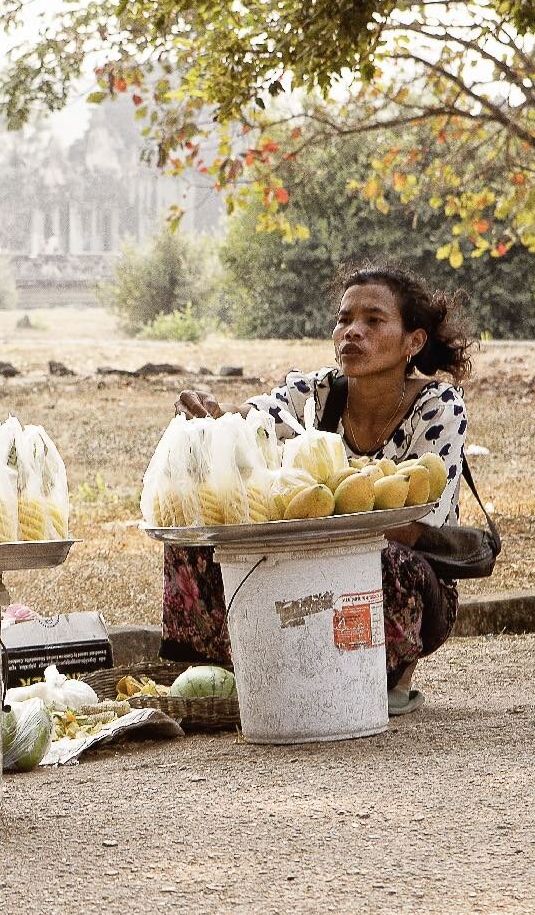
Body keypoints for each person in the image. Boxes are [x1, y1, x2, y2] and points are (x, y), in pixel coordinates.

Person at [169, 263, 473, 716]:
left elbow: (418, 525)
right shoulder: (313, 393)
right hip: (307, 563)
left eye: (373, 320)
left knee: (384, 557)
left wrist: (335, 513)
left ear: (414, 341)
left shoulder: (438, 406)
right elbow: (244, 423)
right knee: (197, 541)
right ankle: (231, 671)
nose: (352, 332)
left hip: (411, 575)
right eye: (344, 319)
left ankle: (391, 671)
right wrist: (212, 420)